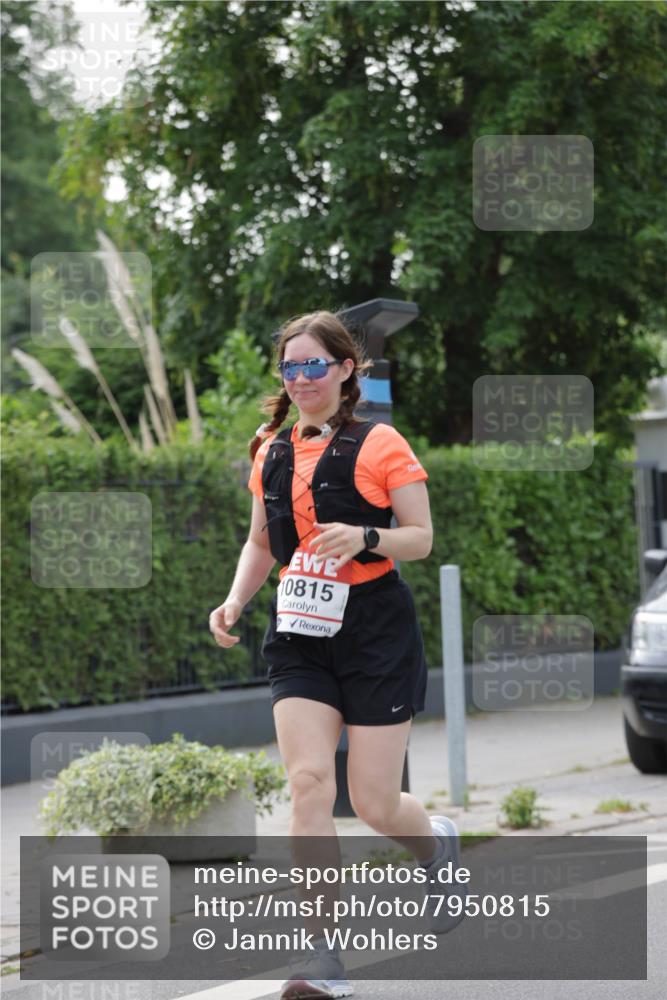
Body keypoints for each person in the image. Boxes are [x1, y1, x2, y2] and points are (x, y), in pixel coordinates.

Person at [209, 310, 461, 999]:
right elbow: (263, 541)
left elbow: (420, 536)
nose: (300, 379)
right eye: (289, 367)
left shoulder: (380, 444)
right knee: (310, 786)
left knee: (373, 803)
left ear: (345, 369)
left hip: (374, 628)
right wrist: (235, 600)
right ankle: (320, 957)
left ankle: (435, 843)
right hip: (298, 632)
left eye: (313, 365)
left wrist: (365, 537)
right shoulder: (271, 450)